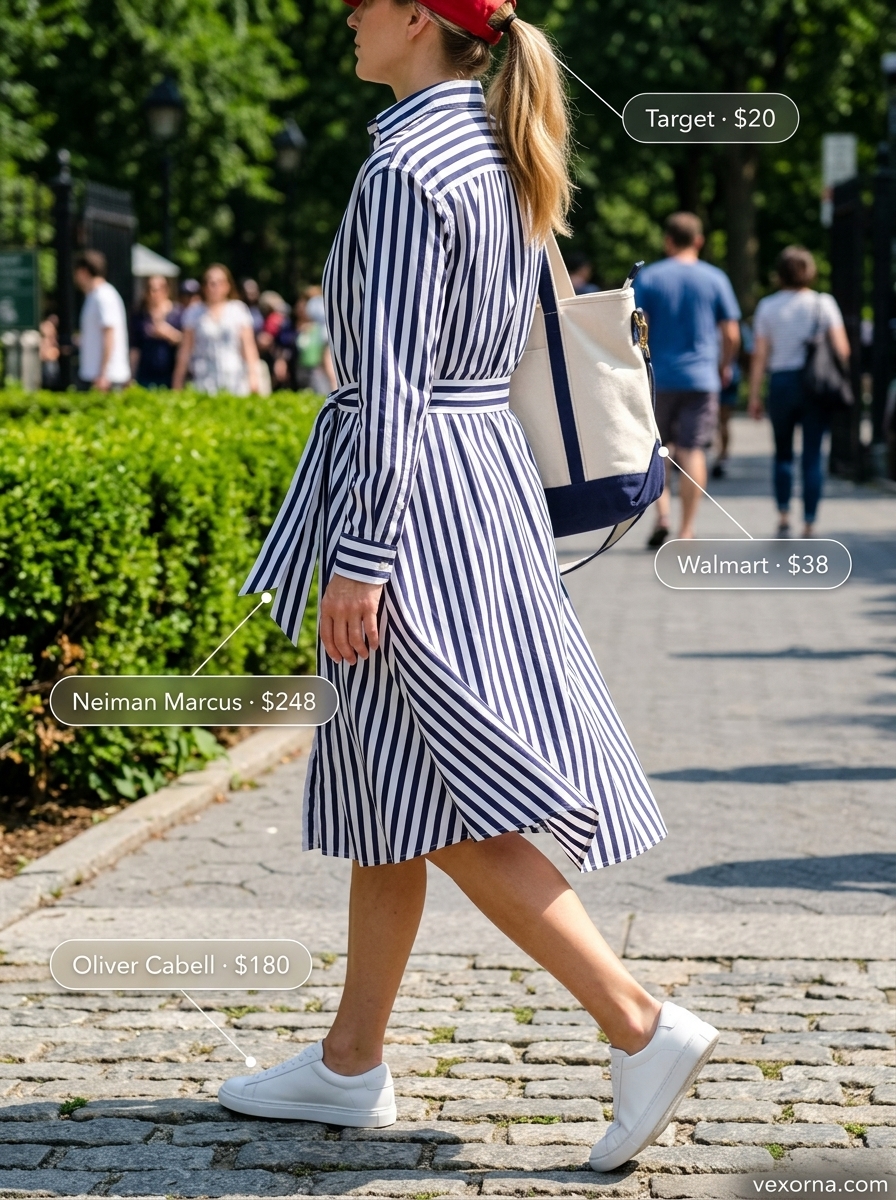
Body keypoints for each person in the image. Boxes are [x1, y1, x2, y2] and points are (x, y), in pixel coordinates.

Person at [218, 0, 718, 1175]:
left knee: (454, 785)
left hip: (413, 506)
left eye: (360, 1)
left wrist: (362, 555)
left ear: (412, 18)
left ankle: (637, 1024)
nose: (343, 15)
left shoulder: (404, 167)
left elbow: (387, 382)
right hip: (474, 484)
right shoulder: (489, 146)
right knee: (394, 776)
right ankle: (349, 1063)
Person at [634, 213, 741, 544]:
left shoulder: (650, 277)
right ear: (699, 240)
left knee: (658, 450)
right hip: (701, 378)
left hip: (659, 379)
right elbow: (733, 334)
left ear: (668, 240)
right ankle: (687, 529)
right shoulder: (716, 279)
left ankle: (662, 516)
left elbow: (637, 327)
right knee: (693, 450)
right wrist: (724, 365)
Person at [748, 246, 850, 537]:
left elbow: (760, 355)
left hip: (781, 383)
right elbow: (843, 350)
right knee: (813, 454)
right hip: (814, 386)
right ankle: (809, 520)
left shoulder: (768, 306)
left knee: (782, 453)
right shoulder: (823, 303)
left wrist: (754, 395)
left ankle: (782, 514)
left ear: (779, 274)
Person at [172, 263, 260, 395]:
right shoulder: (193, 313)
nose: (214, 287)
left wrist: (253, 377)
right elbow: (185, 351)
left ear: (227, 285)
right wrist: (177, 382)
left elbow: (248, 347)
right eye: (210, 283)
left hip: (234, 378)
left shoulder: (238, 310)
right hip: (204, 379)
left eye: (219, 282)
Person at [73, 250, 130, 391]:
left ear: (84, 271)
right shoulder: (94, 296)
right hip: (97, 375)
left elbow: (110, 333)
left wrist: (103, 374)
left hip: (105, 378)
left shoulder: (103, 296)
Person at [711, 320, 752, 479]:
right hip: (726, 374)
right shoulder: (738, 324)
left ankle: (721, 456)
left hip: (716, 375)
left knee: (720, 420)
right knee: (722, 420)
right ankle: (721, 456)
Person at [277, 287, 338, 394]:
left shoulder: (323, 328)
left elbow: (326, 356)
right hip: (297, 371)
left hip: (317, 372)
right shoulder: (291, 326)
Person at [129, 275, 183, 388]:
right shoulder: (140, 315)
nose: (153, 293)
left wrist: (168, 333)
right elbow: (135, 348)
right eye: (149, 289)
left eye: (156, 289)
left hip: (170, 375)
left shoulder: (178, 313)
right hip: (144, 376)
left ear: (166, 290)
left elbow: (186, 343)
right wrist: (131, 376)